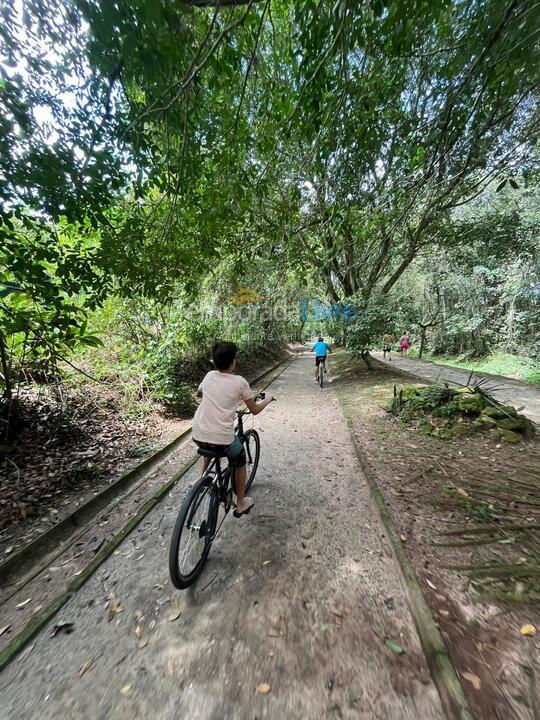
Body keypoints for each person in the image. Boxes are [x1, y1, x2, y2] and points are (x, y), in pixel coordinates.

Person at [192, 341, 273, 518]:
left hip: (198, 433)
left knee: (210, 441)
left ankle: (203, 477)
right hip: (222, 438)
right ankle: (241, 503)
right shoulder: (239, 382)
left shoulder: (209, 376)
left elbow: (199, 394)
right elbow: (255, 410)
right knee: (240, 460)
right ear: (233, 362)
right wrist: (268, 398)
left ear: (214, 362)